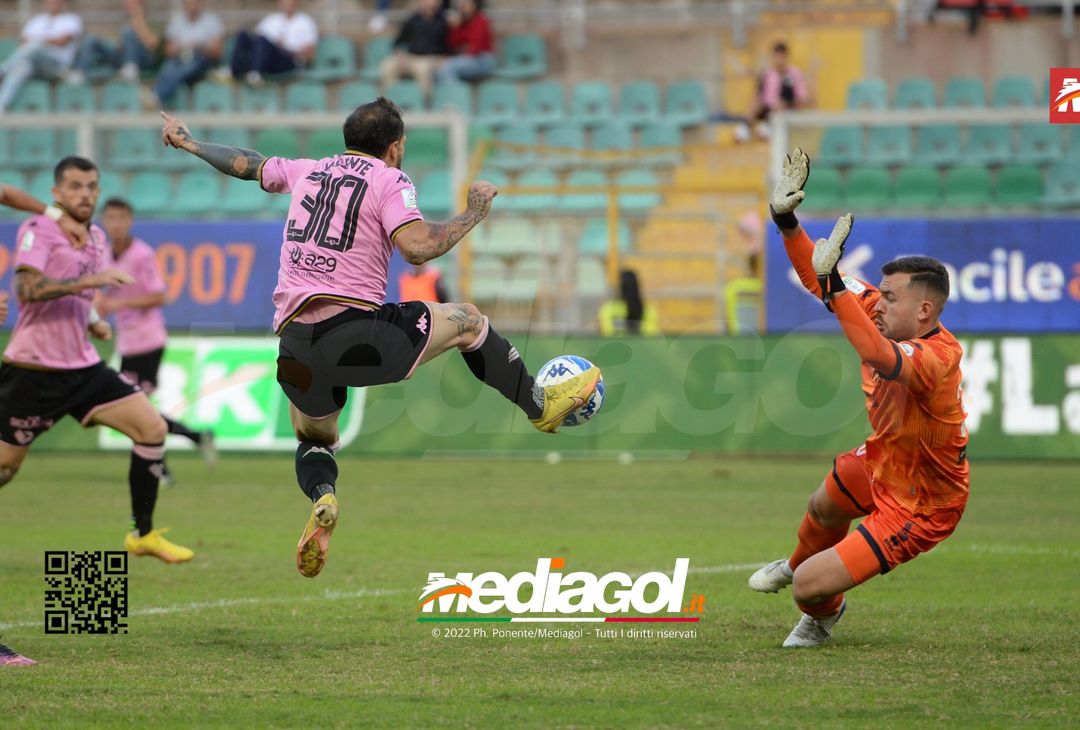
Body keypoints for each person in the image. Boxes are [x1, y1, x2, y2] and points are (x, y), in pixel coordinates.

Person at [160, 97, 600, 578]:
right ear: (395, 147)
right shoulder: (389, 179)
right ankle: (538, 404)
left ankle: (323, 496)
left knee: (315, 437)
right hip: (356, 334)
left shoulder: (309, 169)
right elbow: (417, 248)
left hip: (294, 344)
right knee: (470, 322)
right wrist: (473, 213)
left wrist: (193, 144)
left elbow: (248, 165)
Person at [748, 148, 969, 647]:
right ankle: (799, 562)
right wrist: (786, 222)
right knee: (824, 503)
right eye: (880, 292)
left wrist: (833, 286)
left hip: (922, 500)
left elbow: (875, 351)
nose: (879, 301)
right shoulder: (876, 308)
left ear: (926, 309)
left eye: (891, 297)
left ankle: (821, 612)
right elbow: (817, 278)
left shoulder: (938, 358)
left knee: (808, 589)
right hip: (886, 458)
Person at [0, 157, 194, 564]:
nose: (84, 194)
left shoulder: (96, 239)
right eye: (74, 186)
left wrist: (92, 320)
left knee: (151, 428)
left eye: (91, 186)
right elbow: (28, 289)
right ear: (56, 194)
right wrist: (91, 282)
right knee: (6, 469)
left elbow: (80, 297)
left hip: (84, 368)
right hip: (33, 370)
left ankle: (142, 534)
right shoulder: (39, 229)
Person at [95, 197, 217, 479]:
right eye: (110, 218)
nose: (116, 224)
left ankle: (160, 467)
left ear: (130, 221)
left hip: (148, 341)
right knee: (135, 410)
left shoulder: (141, 254)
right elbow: (104, 289)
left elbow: (159, 295)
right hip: (127, 341)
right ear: (104, 221)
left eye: (121, 218)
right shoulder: (103, 254)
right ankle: (195, 438)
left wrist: (118, 305)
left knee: (133, 410)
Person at [0, 0, 83, 113]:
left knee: (35, 45)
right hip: (36, 66)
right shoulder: (37, 20)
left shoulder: (71, 19)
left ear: (63, 3)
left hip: (58, 67)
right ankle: (2, 106)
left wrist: (39, 41)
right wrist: (48, 40)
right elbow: (23, 41)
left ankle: (3, 69)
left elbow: (62, 41)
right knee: (21, 68)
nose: (53, 4)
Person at [149, 0, 224, 108]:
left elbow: (217, 52)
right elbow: (168, 51)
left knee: (189, 65)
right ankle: (156, 95)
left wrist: (199, 46)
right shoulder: (176, 21)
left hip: (201, 59)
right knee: (168, 67)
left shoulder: (212, 21)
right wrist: (181, 47)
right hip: (179, 58)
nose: (192, 5)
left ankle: (156, 96)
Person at [227, 0, 319, 86]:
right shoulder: (271, 20)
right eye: (285, 3)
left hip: (289, 61)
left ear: (296, 4)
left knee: (263, 40)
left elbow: (310, 54)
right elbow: (256, 40)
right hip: (267, 59)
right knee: (243, 34)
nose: (288, 6)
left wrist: (286, 49)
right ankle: (233, 71)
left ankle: (256, 73)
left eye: (291, 3)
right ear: (279, 4)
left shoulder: (305, 21)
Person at [73, 0, 162, 85]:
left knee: (128, 31)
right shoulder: (124, 20)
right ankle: (80, 73)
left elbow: (153, 45)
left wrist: (137, 18)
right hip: (122, 57)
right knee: (91, 39)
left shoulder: (153, 21)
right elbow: (117, 44)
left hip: (143, 60)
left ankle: (130, 68)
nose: (127, 3)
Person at [735, 41, 808, 142]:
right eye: (776, 57)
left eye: (781, 57)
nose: (779, 61)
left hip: (788, 108)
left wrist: (786, 104)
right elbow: (762, 96)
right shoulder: (768, 75)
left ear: (786, 57)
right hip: (769, 110)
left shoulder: (795, 74)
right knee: (756, 100)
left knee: (778, 106)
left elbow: (802, 99)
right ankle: (745, 127)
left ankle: (768, 127)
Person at [379, 0, 450, 101]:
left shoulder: (443, 22)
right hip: (410, 57)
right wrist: (401, 56)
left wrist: (442, 57)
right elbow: (398, 42)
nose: (430, 4)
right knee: (386, 66)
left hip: (429, 59)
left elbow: (448, 45)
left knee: (423, 70)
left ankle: (424, 103)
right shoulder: (412, 20)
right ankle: (387, 103)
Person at [436, 0, 495, 86]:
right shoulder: (461, 22)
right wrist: (455, 28)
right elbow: (453, 45)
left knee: (447, 68)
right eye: (461, 4)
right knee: (436, 71)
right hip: (466, 58)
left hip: (483, 59)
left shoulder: (481, 20)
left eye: (466, 4)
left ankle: (458, 97)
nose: (462, 7)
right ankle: (458, 95)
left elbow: (475, 49)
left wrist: (455, 56)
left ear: (474, 5)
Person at [598, 269, 659, 336]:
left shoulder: (608, 308)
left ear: (620, 287)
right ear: (637, 287)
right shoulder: (648, 310)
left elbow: (607, 335)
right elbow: (650, 337)